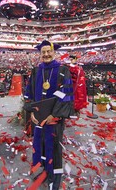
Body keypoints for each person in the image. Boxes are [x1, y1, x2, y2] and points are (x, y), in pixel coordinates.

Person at [24, 40, 74, 189]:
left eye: (48, 51)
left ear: (54, 52)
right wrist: (31, 111)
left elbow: (65, 94)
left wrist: (54, 115)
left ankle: (55, 177)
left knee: (54, 147)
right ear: (40, 54)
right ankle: (45, 170)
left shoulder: (62, 70)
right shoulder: (36, 71)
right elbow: (29, 93)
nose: (46, 54)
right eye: (43, 52)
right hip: (38, 118)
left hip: (54, 119)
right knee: (41, 145)